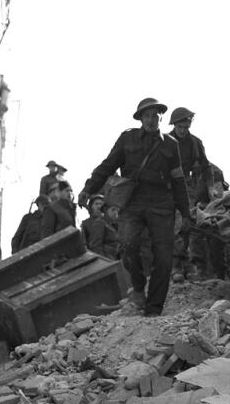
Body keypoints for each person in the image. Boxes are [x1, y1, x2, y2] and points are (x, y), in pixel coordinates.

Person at [77, 97, 191, 317]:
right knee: (128, 245)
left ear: (160, 117)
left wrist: (185, 214)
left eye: (155, 115)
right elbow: (108, 165)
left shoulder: (170, 144)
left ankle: (154, 308)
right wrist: (88, 189)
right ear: (140, 118)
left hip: (161, 202)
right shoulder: (127, 139)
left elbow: (178, 180)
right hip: (133, 201)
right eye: (146, 115)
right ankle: (138, 288)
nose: (151, 119)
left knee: (164, 257)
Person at [167, 107, 214, 283]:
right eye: (180, 126)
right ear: (174, 125)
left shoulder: (195, 143)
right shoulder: (164, 141)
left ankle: (181, 265)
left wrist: (210, 187)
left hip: (186, 188)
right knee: (169, 228)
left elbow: (206, 166)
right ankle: (175, 266)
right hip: (166, 188)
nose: (183, 130)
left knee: (186, 225)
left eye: (186, 126)